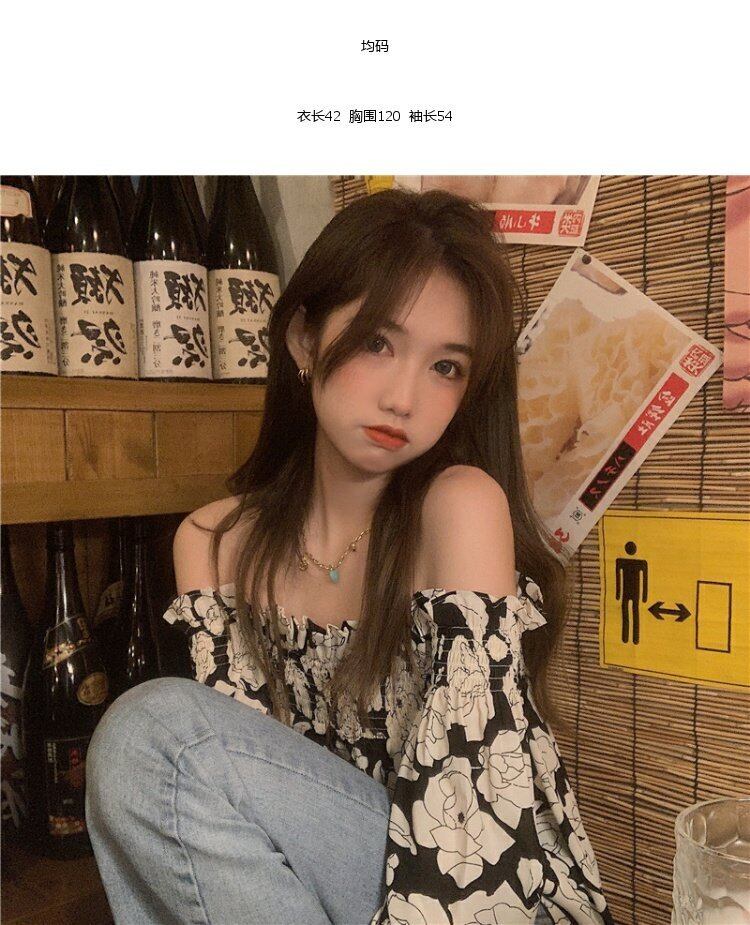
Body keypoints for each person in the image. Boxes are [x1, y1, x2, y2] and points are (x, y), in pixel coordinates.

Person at [85, 188, 615, 925]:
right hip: (321, 893)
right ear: (304, 339)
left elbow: (473, 819)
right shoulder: (213, 542)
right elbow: (236, 841)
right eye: (377, 343)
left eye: (446, 367)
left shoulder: (459, 507)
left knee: (150, 734)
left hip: (479, 886)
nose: (404, 397)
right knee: (153, 747)